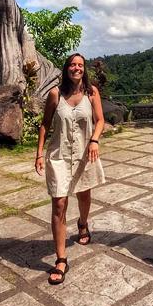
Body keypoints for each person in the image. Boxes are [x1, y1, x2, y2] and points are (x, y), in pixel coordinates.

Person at [36, 53, 105, 285]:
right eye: (73, 65)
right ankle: (61, 259)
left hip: (85, 154)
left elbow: (100, 120)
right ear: (66, 69)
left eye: (80, 65)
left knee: (84, 193)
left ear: (84, 69)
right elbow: (45, 124)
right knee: (59, 203)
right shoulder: (55, 94)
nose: (77, 68)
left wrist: (94, 140)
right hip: (59, 156)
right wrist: (38, 153)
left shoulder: (91, 92)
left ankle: (83, 223)